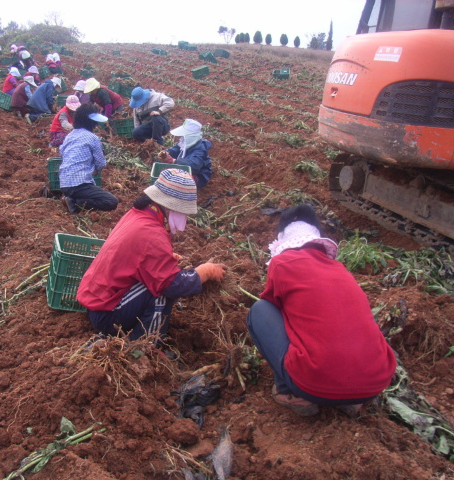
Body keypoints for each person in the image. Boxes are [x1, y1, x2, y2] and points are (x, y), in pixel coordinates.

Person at [247, 204, 397, 417]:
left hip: (313, 383)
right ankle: (353, 400)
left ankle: (289, 392)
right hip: (375, 383)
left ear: (284, 242)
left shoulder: (282, 263)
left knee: (260, 310)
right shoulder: (340, 269)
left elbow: (273, 306)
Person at [76, 168, 227, 344]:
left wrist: (163, 257)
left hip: (98, 302)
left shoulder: (140, 215)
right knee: (161, 290)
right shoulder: (152, 233)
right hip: (107, 313)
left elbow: (139, 254)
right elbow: (171, 285)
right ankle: (145, 347)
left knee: (159, 279)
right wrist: (205, 272)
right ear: (171, 207)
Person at [59, 104, 119, 214]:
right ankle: (75, 203)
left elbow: (62, 152)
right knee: (111, 201)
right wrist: (96, 169)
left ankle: (72, 199)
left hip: (64, 183)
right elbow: (101, 163)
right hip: (79, 185)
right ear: (91, 122)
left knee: (93, 192)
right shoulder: (92, 138)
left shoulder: (70, 135)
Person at [158, 119, 212, 188]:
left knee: (172, 180)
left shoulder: (200, 150)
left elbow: (193, 167)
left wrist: (174, 161)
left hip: (198, 177)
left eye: (184, 136)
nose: (181, 138)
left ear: (190, 136)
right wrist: (165, 153)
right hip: (184, 171)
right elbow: (175, 150)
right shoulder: (185, 143)